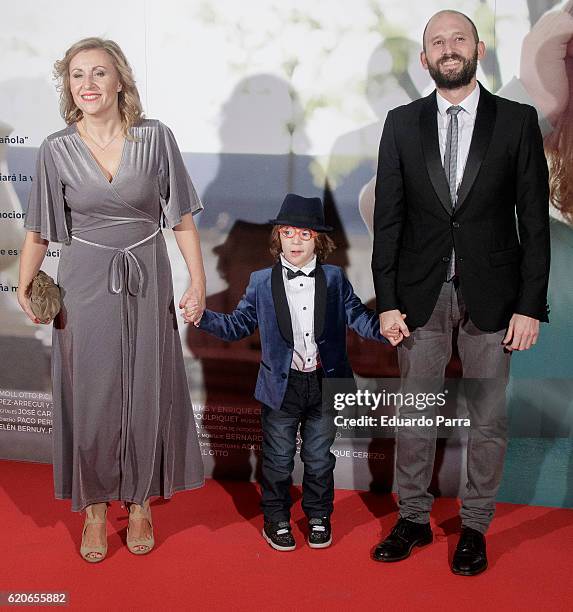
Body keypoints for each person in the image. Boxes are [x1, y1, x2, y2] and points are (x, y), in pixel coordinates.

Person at [371, 10, 550, 575]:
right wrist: (388, 298)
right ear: (424, 59)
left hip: (495, 297)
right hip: (420, 295)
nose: (449, 49)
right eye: (437, 42)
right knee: (415, 414)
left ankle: (475, 526)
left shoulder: (518, 121)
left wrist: (529, 304)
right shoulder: (401, 124)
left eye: (459, 39)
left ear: (479, 48)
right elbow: (389, 222)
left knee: (488, 418)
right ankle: (414, 519)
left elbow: (534, 223)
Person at [17, 38, 206, 562]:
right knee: (92, 392)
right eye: (78, 75)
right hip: (84, 281)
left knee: (147, 384)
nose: (89, 84)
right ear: (69, 87)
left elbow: (183, 217)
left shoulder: (156, 137)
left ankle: (140, 499)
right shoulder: (55, 148)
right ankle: (96, 509)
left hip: (148, 275)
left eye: (100, 73)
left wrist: (197, 279)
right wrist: (23, 285)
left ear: (120, 80)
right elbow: (37, 231)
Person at [193, 193, 387, 551]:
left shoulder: (334, 278)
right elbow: (238, 326)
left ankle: (318, 515)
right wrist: (202, 317)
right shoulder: (261, 282)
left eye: (304, 234)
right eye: (288, 233)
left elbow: (358, 316)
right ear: (277, 237)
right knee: (279, 458)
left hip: (326, 382)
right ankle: (277, 518)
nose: (295, 241)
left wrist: (385, 330)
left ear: (319, 240)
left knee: (318, 458)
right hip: (280, 387)